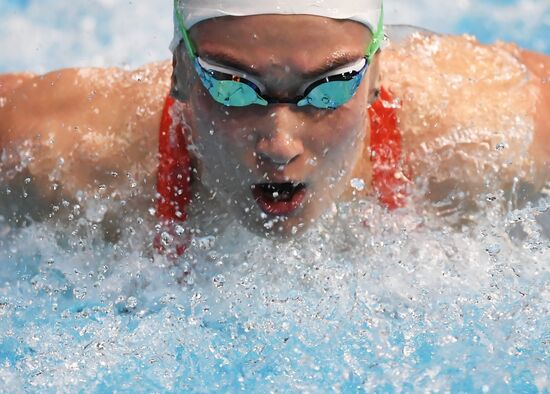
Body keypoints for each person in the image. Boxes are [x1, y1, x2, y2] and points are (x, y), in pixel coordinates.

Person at [0, 0, 548, 254]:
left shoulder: (486, 134)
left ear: (379, 73)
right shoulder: (69, 152)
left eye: (331, 87)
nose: (280, 145)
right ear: (180, 74)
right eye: (232, 86)